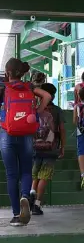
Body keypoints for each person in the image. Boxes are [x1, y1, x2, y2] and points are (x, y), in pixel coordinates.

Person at [0, 58, 51, 226]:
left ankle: (16, 215)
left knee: (11, 175)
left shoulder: (3, 88)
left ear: (7, 72)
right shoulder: (29, 87)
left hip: (7, 134)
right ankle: (25, 195)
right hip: (27, 134)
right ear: (22, 73)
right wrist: (37, 111)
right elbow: (47, 95)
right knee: (26, 172)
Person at [30, 83, 66, 215]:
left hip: (35, 147)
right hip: (51, 148)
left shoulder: (34, 109)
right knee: (44, 176)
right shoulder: (57, 111)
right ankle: (37, 205)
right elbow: (62, 129)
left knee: (35, 175)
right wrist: (63, 146)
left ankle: (31, 195)